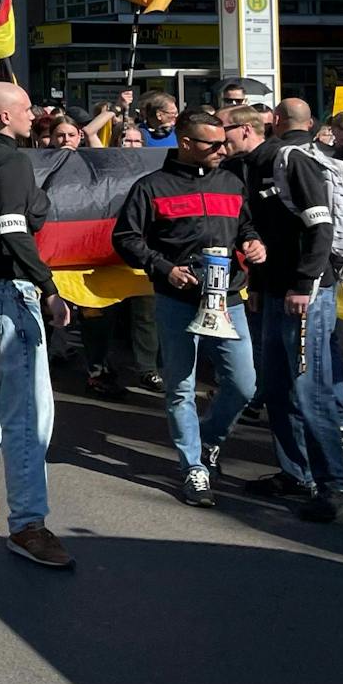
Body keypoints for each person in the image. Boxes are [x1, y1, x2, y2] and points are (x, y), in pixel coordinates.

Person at [112, 110, 260, 507]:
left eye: (224, 142)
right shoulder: (151, 187)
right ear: (186, 143)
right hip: (177, 300)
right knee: (180, 386)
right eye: (213, 144)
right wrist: (164, 268)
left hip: (228, 298)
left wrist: (253, 242)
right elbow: (125, 237)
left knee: (244, 384)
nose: (222, 149)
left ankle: (209, 440)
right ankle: (193, 466)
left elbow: (245, 226)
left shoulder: (232, 180)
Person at [0, 82, 74, 569]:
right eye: (27, 108)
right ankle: (28, 524)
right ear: (5, 116)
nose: (36, 114)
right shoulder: (12, 162)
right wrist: (47, 285)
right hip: (7, 291)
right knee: (27, 414)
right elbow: (12, 227)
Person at [228, 100, 343, 521]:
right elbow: (265, 236)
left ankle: (332, 484)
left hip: (306, 297)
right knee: (277, 389)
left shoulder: (292, 159)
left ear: (254, 128)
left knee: (309, 391)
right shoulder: (250, 165)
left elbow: (321, 226)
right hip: (274, 293)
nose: (219, 141)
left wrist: (304, 284)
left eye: (224, 131)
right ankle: (295, 473)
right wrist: (260, 287)